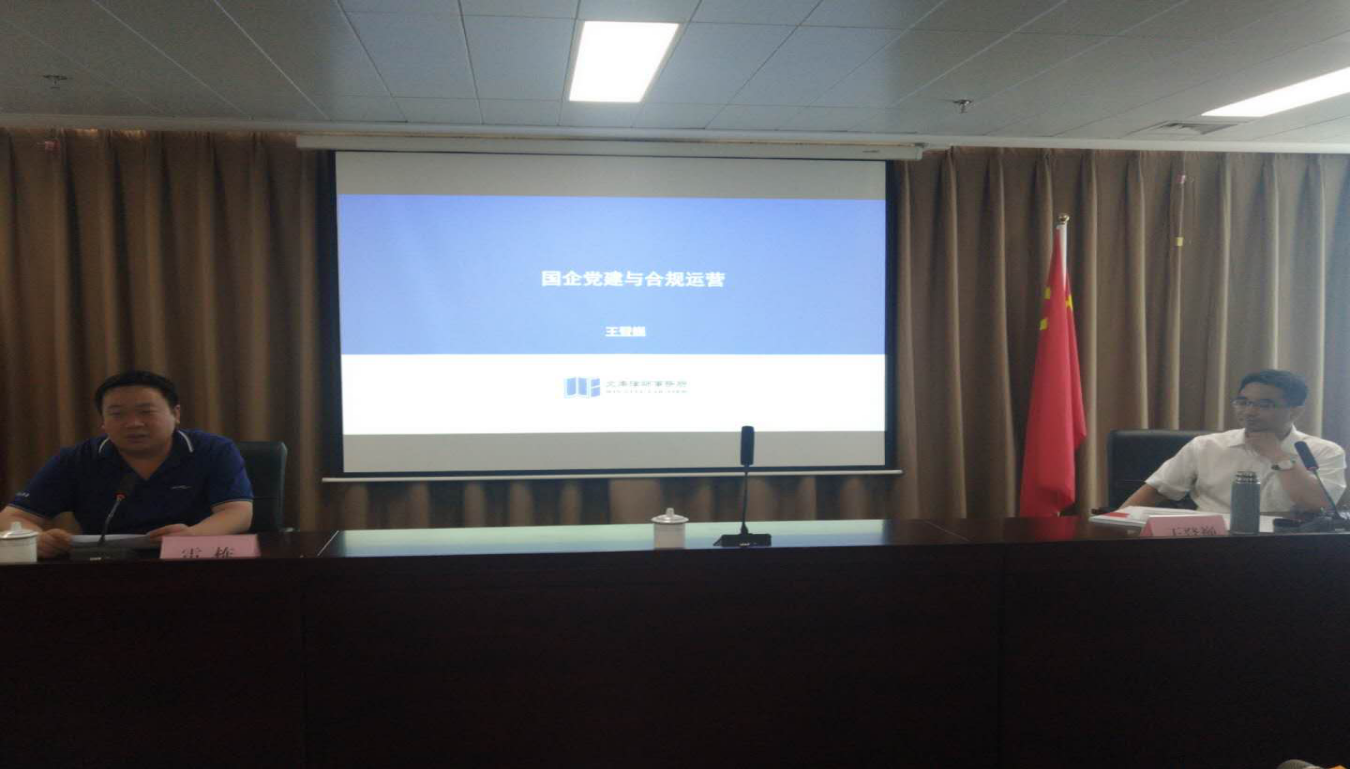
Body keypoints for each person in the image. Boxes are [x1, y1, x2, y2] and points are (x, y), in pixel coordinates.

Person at [0, 371, 253, 558]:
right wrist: (37, 539)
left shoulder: (213, 450)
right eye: (117, 414)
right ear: (103, 422)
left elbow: (238, 513)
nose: (133, 423)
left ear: (175, 414)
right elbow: (13, 516)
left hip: (193, 558)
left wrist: (192, 535)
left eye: (146, 411)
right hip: (106, 566)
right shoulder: (77, 459)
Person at [1118, 369, 1346, 514]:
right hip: (1209, 542)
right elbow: (1156, 490)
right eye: (1243, 402)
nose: (1249, 412)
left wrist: (1277, 455)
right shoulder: (1206, 446)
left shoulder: (1323, 452)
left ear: (1295, 411)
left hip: (1286, 547)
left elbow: (1319, 505)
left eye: (1264, 405)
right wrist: (1114, 526)